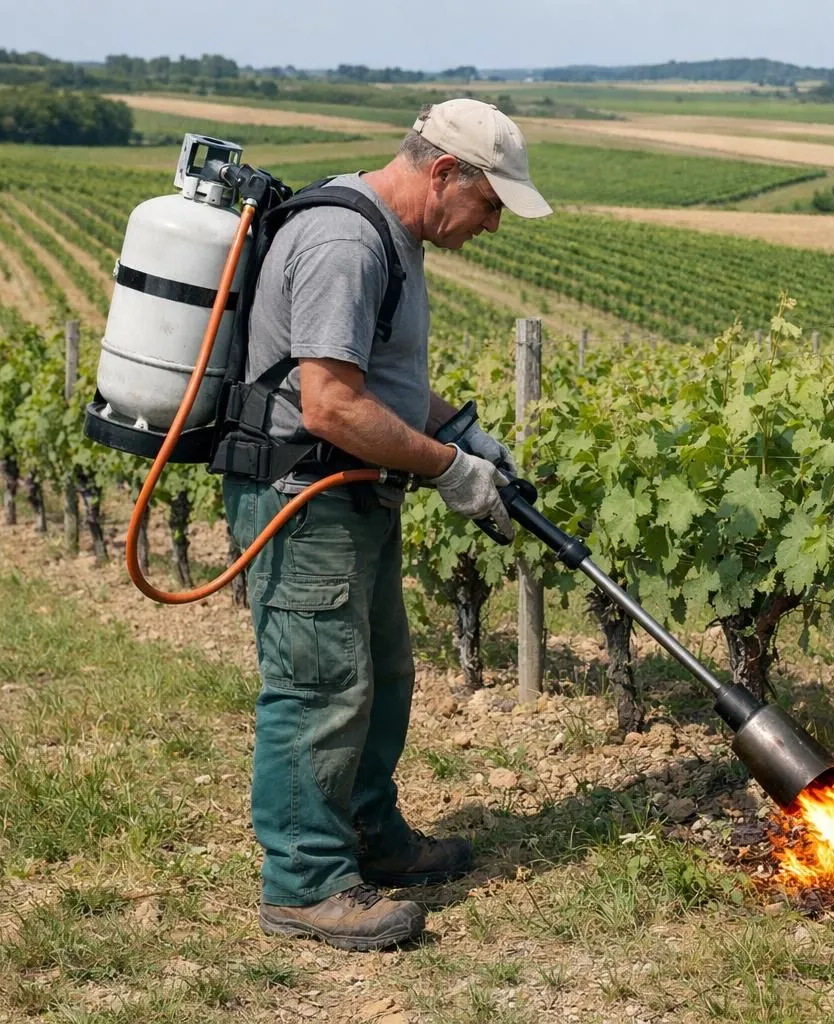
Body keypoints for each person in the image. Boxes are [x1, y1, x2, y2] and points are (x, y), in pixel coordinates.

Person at [222, 98, 552, 951]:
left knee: (384, 675)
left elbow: (380, 382)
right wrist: (450, 471)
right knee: (320, 688)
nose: (493, 225)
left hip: (354, 496)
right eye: (490, 204)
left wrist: (461, 429)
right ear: (444, 172)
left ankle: (371, 837)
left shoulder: (389, 236)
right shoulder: (347, 243)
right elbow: (331, 406)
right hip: (306, 497)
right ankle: (304, 883)